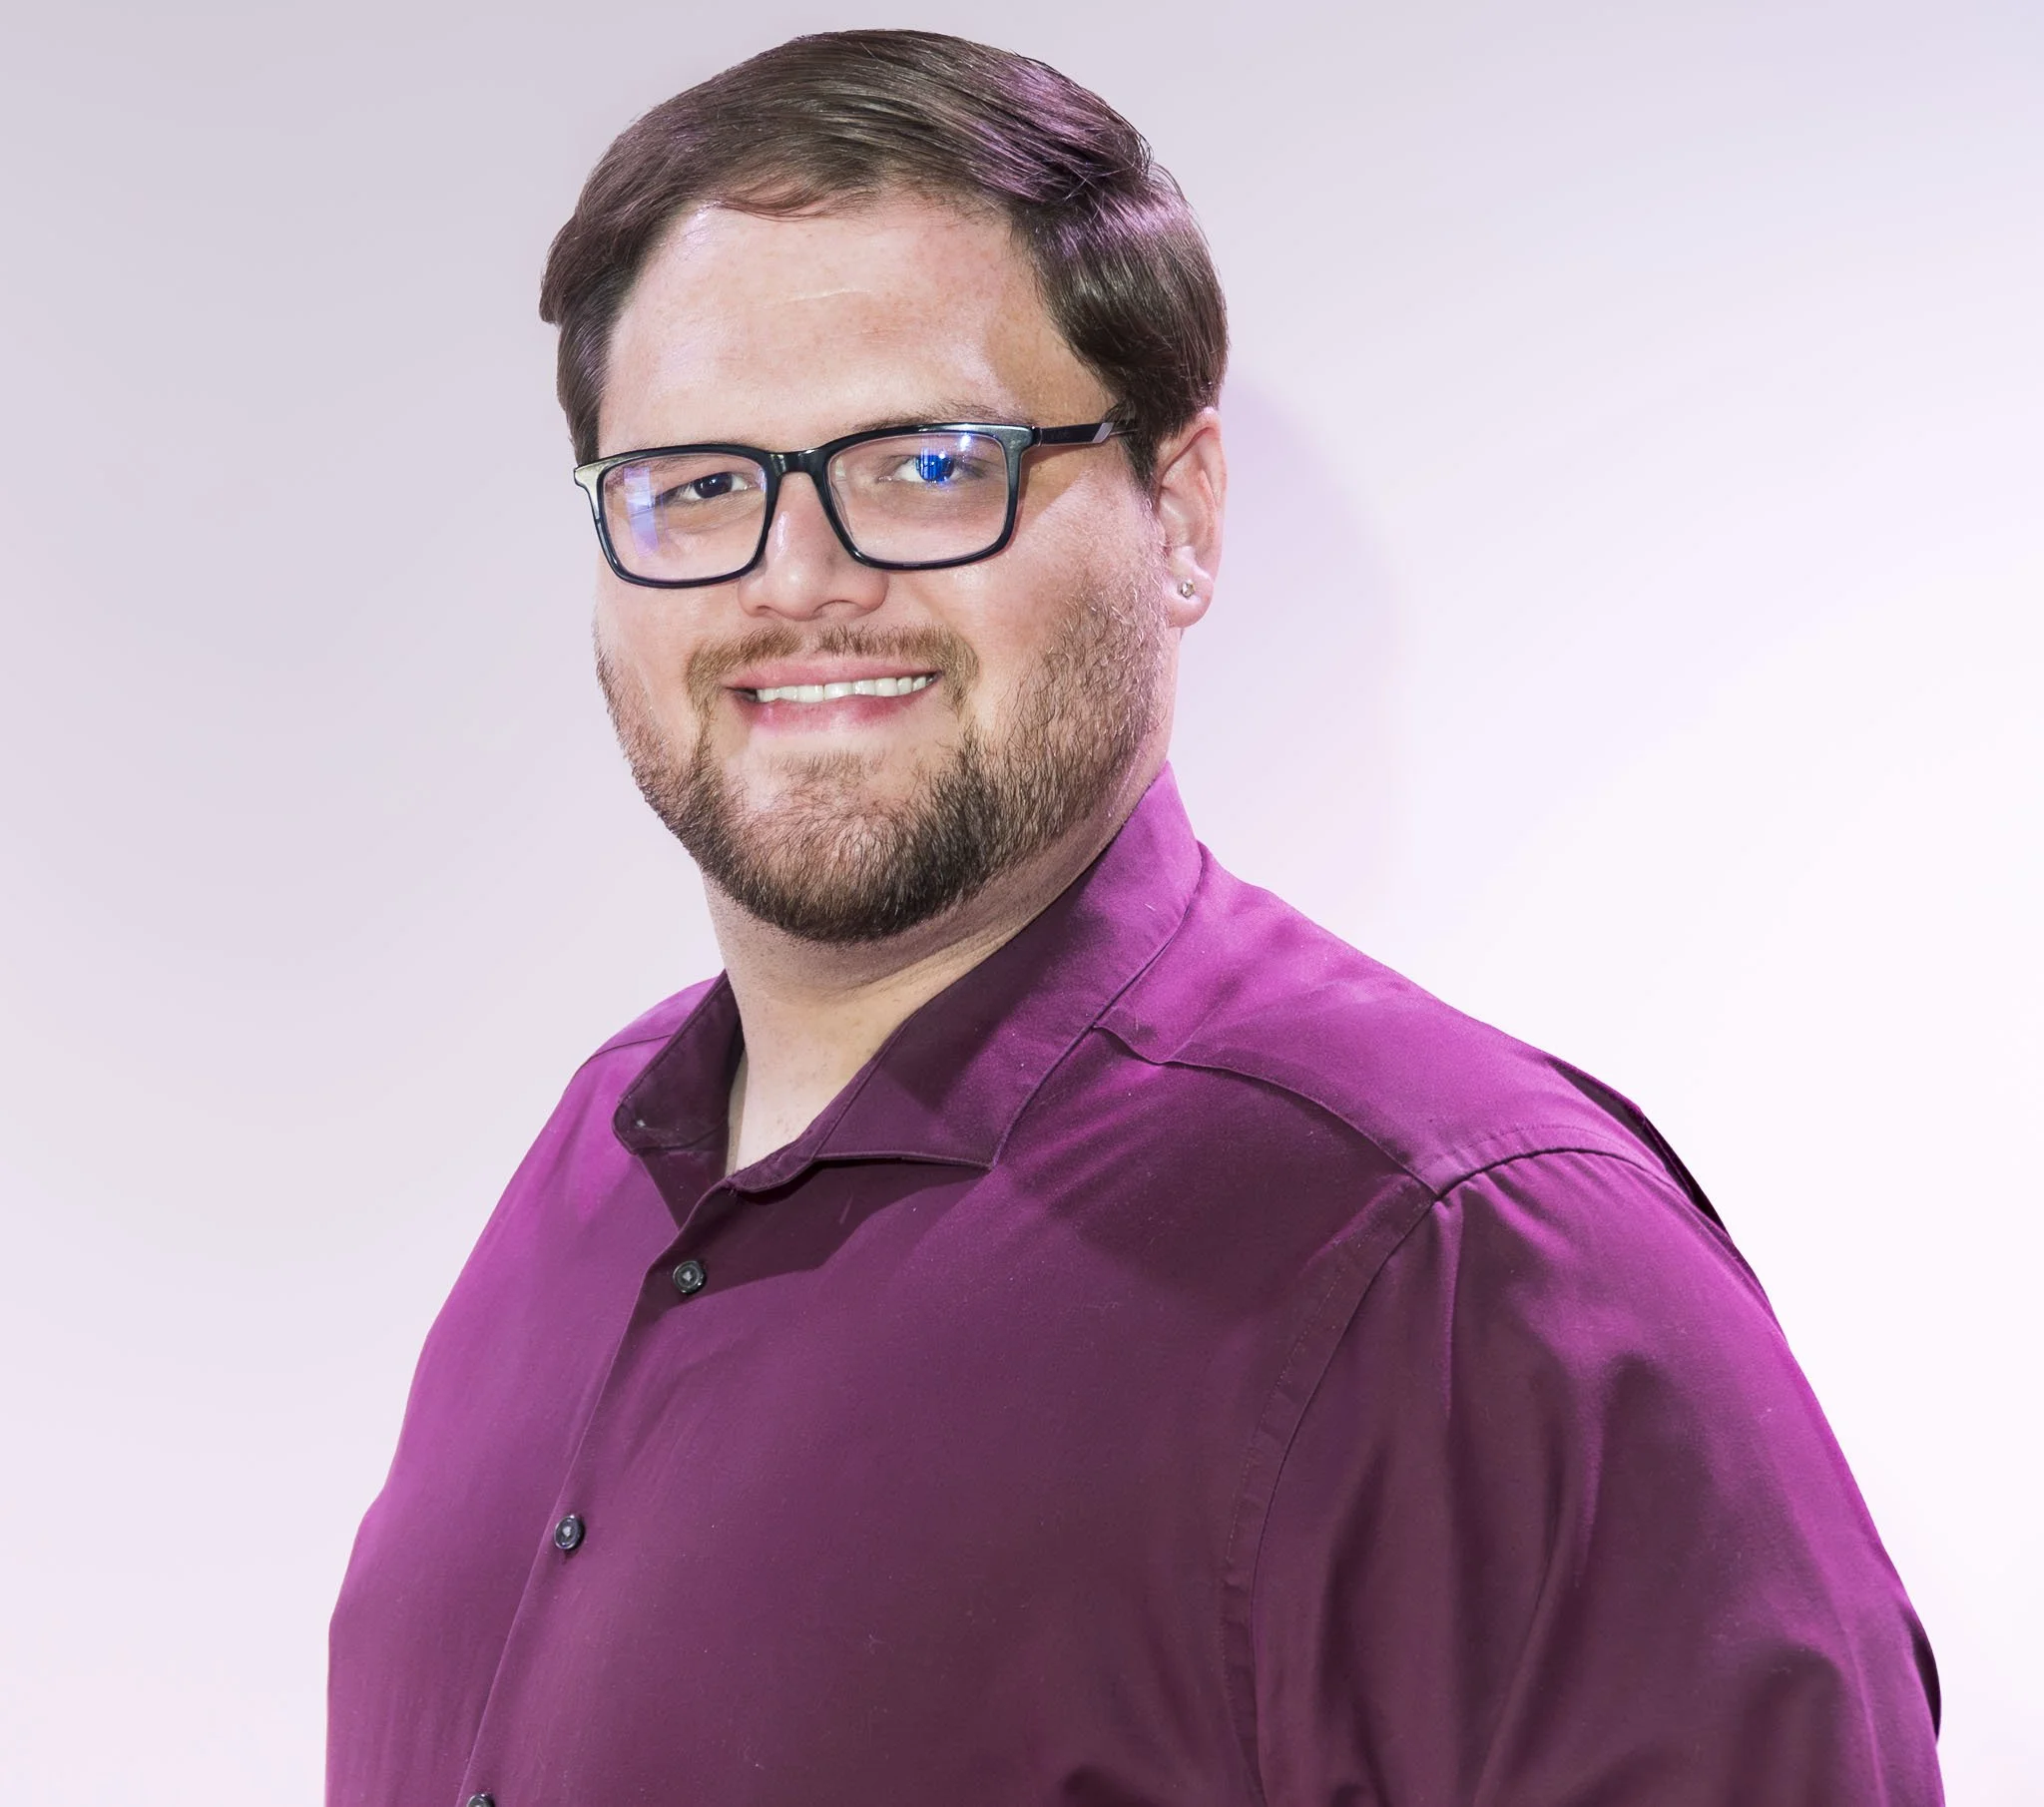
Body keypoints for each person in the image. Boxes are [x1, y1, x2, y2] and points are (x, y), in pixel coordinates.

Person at [327, 29, 1942, 1806]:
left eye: (926, 465)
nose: (797, 579)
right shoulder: (588, 1174)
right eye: (698, 486)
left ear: (1181, 510)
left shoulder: (1472, 1275)